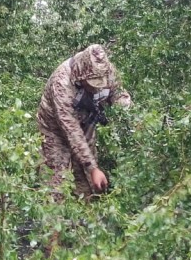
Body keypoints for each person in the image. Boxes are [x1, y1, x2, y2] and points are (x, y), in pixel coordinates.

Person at [37, 43, 131, 198]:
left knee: (87, 178)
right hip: (54, 130)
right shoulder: (62, 83)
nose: (97, 89)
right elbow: (71, 130)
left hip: (86, 122)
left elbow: (118, 93)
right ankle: (54, 217)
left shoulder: (106, 70)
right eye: (93, 85)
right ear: (81, 76)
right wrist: (93, 168)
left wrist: (126, 112)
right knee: (56, 179)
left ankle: (84, 212)